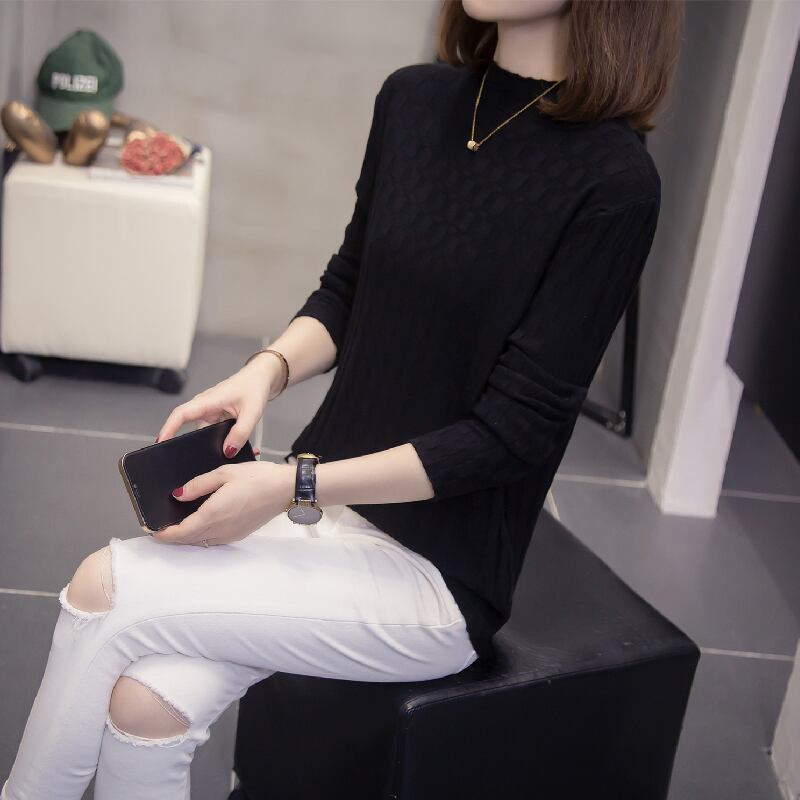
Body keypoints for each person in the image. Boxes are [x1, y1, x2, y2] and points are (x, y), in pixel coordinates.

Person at [2, 1, 683, 798]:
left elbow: (513, 435)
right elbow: (350, 289)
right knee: (145, 702)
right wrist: (264, 373)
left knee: (103, 589)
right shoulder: (413, 101)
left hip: (435, 575)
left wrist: (294, 483)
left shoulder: (615, 183)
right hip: (320, 512)